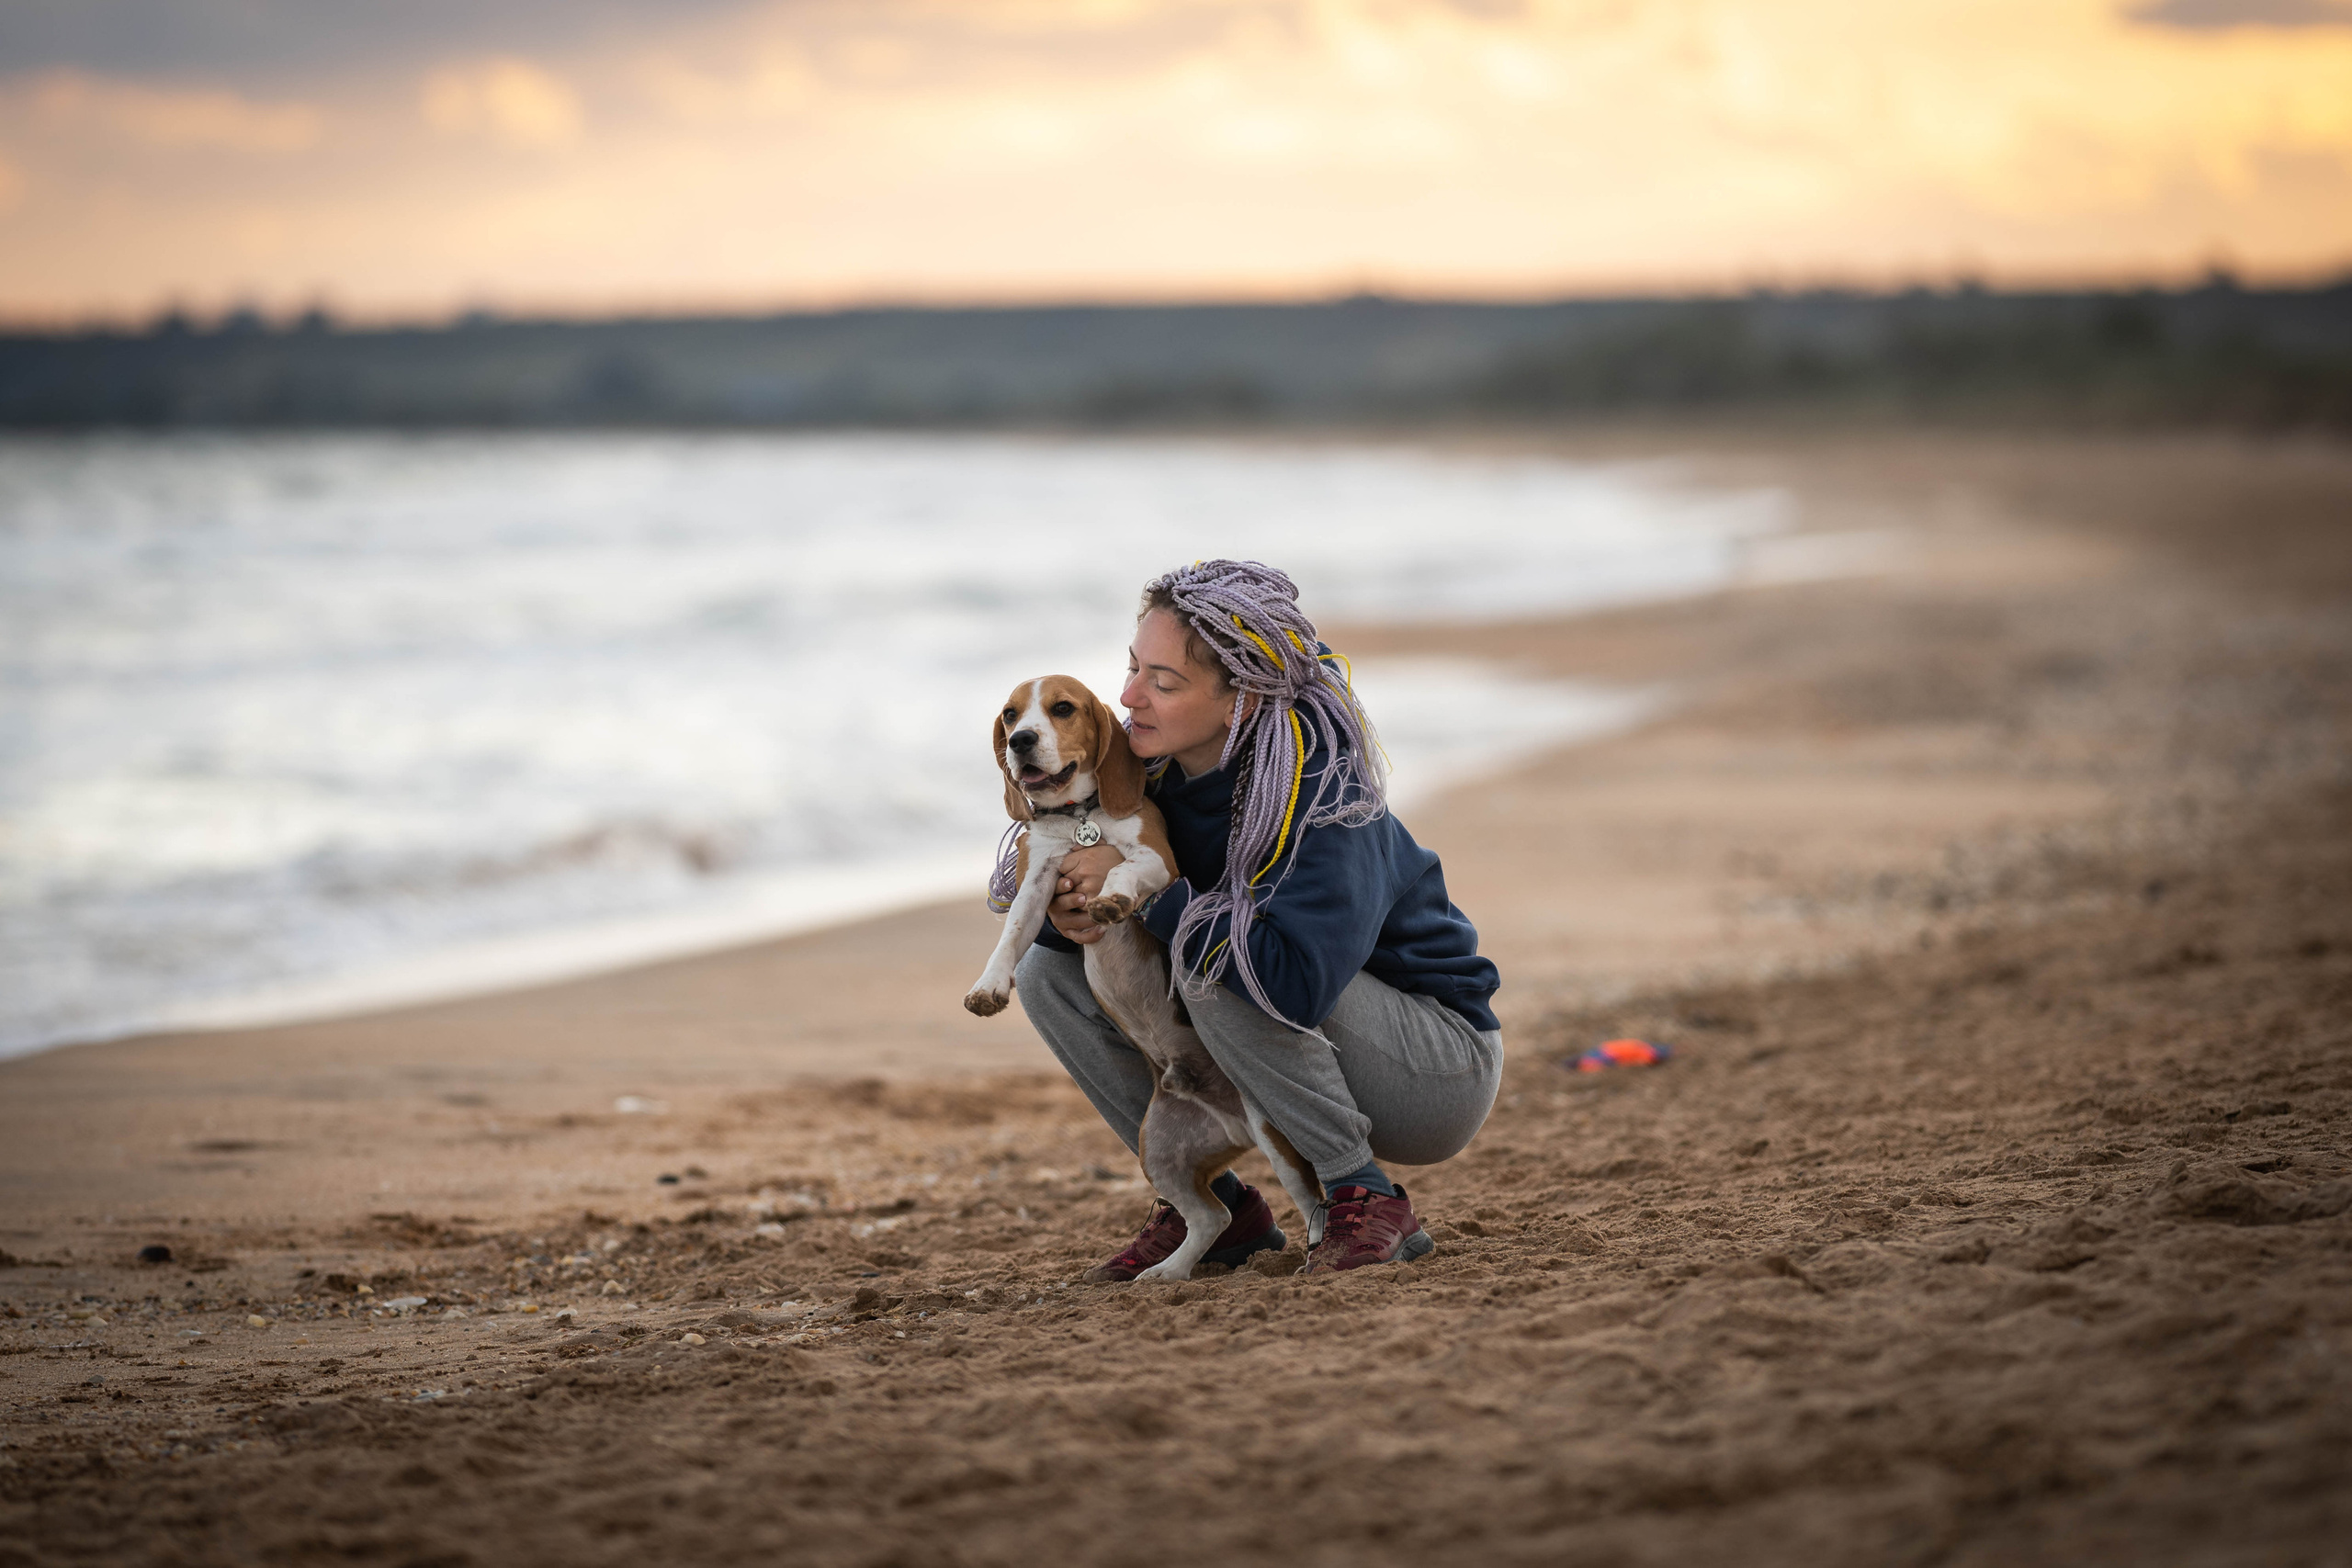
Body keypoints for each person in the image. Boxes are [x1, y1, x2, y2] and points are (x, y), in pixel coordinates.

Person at [1013, 559, 1503, 1278]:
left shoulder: (1321, 789)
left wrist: (1154, 895)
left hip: (1435, 1067)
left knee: (1218, 961)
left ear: (1239, 698)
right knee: (1044, 971)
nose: (1127, 696)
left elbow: (1291, 982)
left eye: (1164, 681)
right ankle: (1212, 1205)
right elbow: (1095, 928)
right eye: (1132, 667)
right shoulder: (1150, 773)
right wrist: (1072, 905)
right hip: (1300, 1035)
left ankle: (1360, 1192)